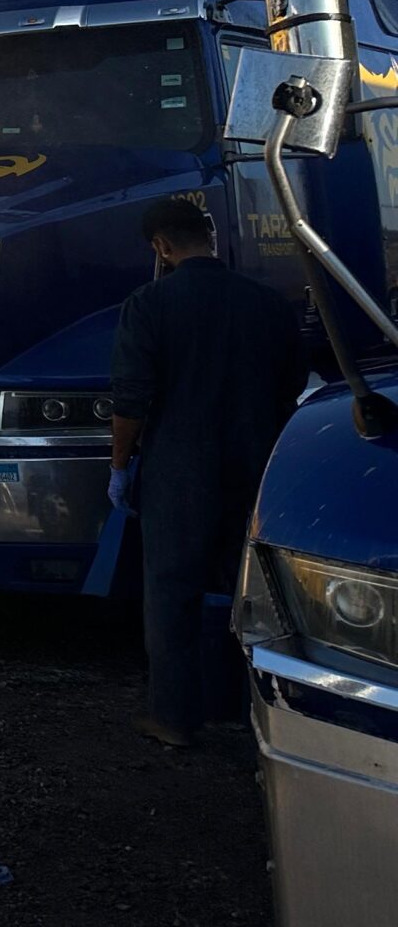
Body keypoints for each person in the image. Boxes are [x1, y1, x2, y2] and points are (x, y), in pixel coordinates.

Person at [107, 194, 307, 747]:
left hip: (178, 472)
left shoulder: (149, 304)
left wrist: (120, 465)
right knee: (245, 590)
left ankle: (173, 718)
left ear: (162, 247)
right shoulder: (268, 303)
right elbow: (293, 381)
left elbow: (131, 400)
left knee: (172, 590)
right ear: (211, 239)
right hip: (256, 468)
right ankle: (240, 706)